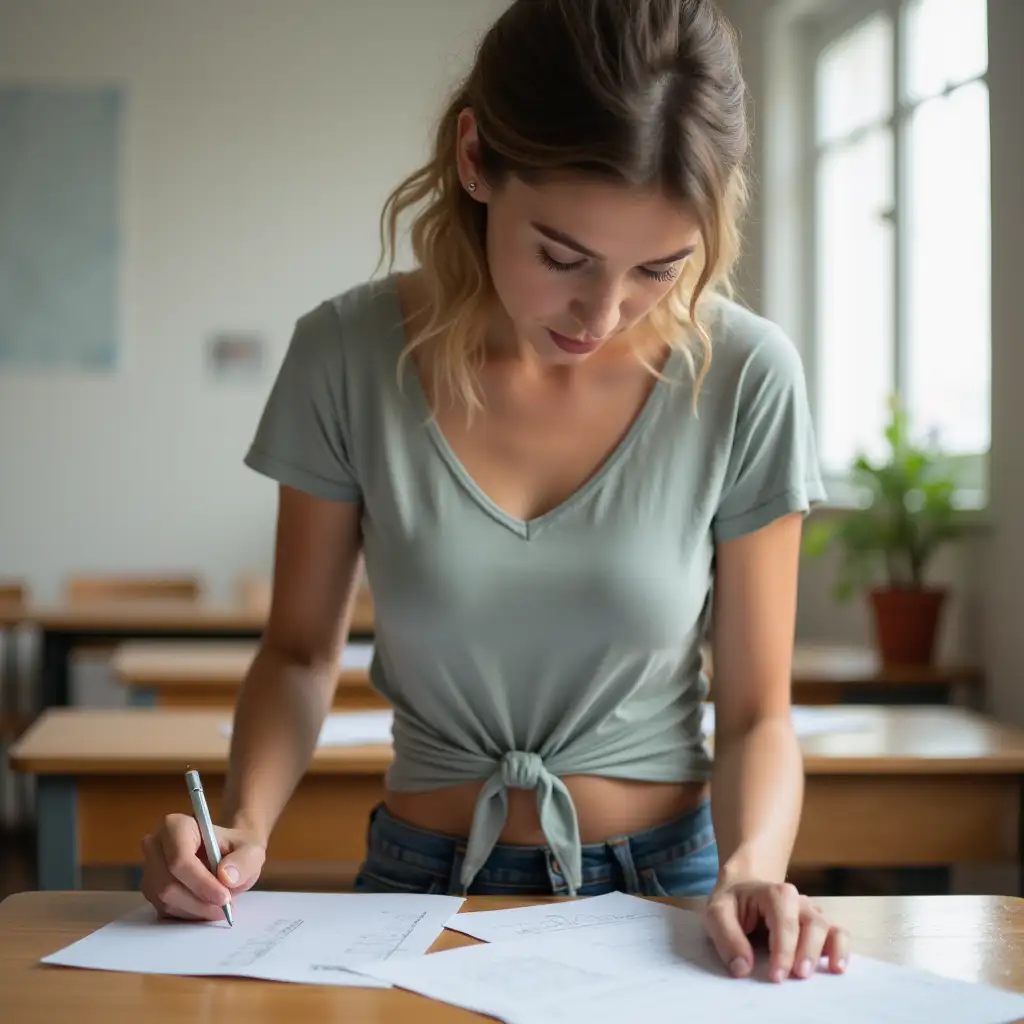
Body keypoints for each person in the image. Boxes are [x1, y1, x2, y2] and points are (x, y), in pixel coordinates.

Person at [141, 0, 849, 984]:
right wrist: (243, 825)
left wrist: (751, 870)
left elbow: (756, 713)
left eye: (658, 267)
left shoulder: (744, 373)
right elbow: (300, 652)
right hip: (420, 882)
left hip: (672, 896)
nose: (602, 312)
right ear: (475, 160)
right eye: (562, 256)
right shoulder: (345, 355)